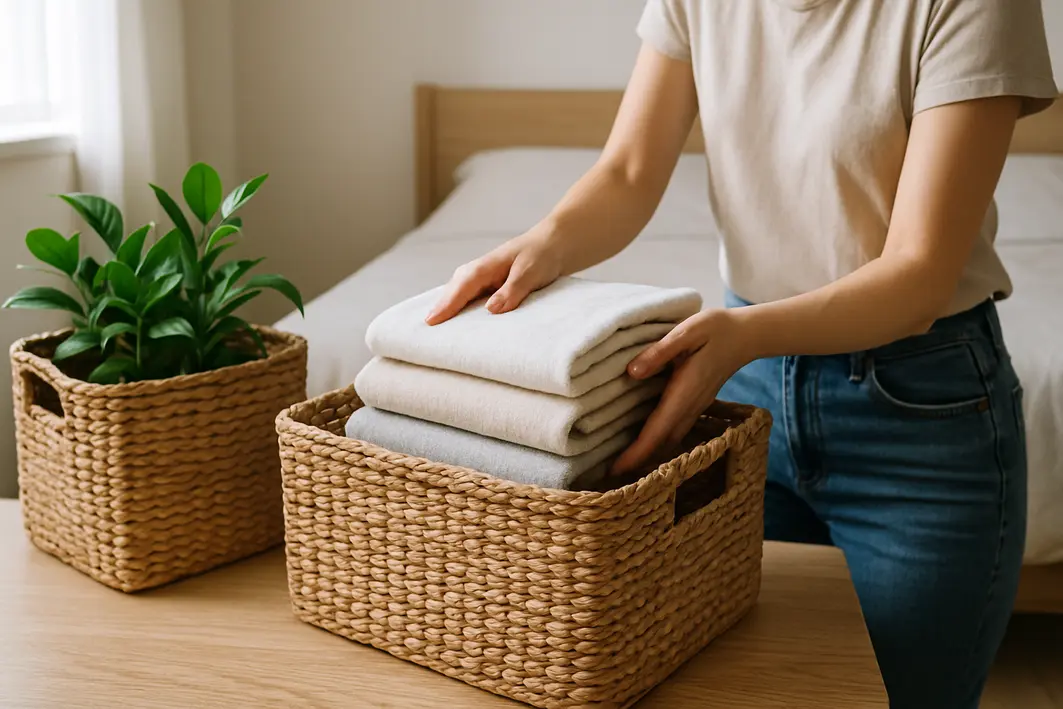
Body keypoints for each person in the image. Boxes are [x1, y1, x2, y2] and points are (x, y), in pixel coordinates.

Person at [424, 1, 1058, 707]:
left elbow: (917, 274)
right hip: (745, 394)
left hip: (917, 415)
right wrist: (537, 249)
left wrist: (743, 332)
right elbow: (630, 171)